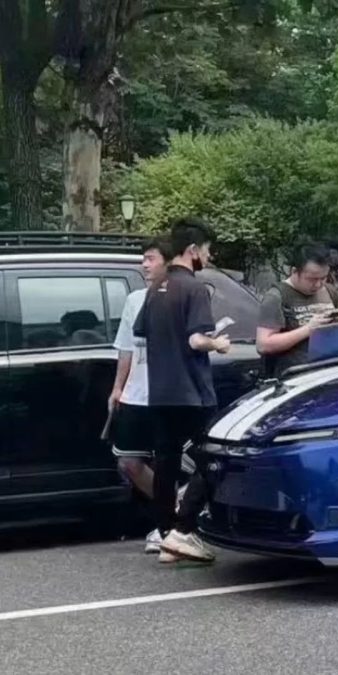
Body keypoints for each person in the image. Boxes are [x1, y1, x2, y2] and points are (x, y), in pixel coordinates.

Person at [135, 217, 231, 564]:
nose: (208, 256)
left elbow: (141, 332)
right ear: (192, 250)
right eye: (206, 250)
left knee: (166, 463)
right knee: (214, 459)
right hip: (192, 391)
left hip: (160, 390)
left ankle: (165, 534)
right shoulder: (194, 288)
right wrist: (217, 343)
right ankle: (184, 530)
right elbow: (195, 340)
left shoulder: (155, 288)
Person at [107, 236, 171, 554]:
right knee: (129, 462)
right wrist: (118, 387)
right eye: (143, 258)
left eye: (150, 258)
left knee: (168, 461)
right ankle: (173, 511)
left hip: (168, 394)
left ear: (169, 262)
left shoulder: (181, 297)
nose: (144, 265)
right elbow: (126, 347)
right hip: (135, 394)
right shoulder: (134, 300)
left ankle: (168, 524)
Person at [257, 244, 338, 377]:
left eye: (323, 278)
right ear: (294, 271)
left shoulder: (329, 291)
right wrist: (308, 329)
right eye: (312, 279)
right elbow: (263, 345)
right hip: (296, 376)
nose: (318, 284)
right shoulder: (277, 296)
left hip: (331, 369)